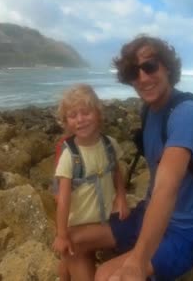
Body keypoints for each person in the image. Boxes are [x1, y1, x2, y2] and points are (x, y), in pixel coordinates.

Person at [68, 35, 193, 281]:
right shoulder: (150, 110)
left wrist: (137, 261)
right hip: (148, 213)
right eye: (133, 72)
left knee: (107, 276)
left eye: (150, 67)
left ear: (167, 67)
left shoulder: (187, 114)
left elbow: (166, 188)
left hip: (186, 230)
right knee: (71, 242)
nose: (143, 78)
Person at [52, 83, 130, 281]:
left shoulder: (109, 144)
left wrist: (121, 197)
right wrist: (61, 235)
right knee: (75, 258)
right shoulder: (70, 156)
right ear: (67, 122)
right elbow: (63, 200)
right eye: (73, 115)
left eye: (85, 112)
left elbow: (116, 172)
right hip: (78, 225)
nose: (80, 120)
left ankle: (66, 266)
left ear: (98, 113)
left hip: (102, 222)